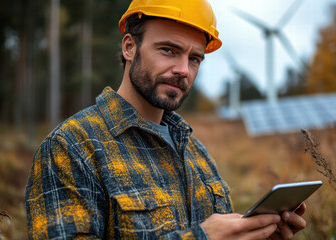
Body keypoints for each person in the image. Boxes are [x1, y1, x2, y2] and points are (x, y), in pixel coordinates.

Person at [25, 0, 307, 239]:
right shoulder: (71, 149)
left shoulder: (197, 154)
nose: (183, 70)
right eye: (169, 50)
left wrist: (258, 233)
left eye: (195, 59)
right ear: (129, 47)